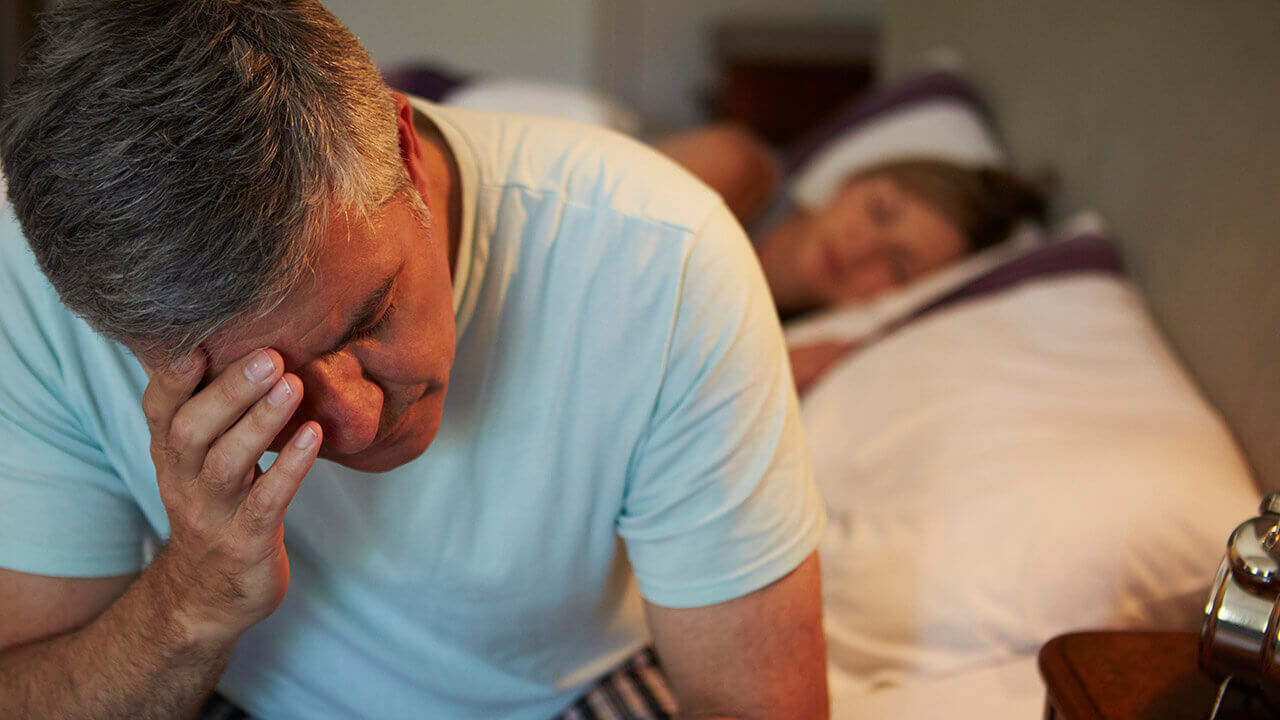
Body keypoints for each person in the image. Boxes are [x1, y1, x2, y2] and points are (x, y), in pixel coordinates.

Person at [0, 2, 828, 719]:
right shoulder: (33, 285)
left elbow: (752, 703)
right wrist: (193, 598)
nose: (357, 424)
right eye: (253, 388)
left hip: (564, 693)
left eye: (372, 314)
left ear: (407, 156)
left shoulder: (662, 258)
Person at [657, 126, 1047, 393]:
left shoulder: (802, 345)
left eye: (898, 266)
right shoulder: (732, 172)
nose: (860, 249)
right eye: (878, 210)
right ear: (852, 180)